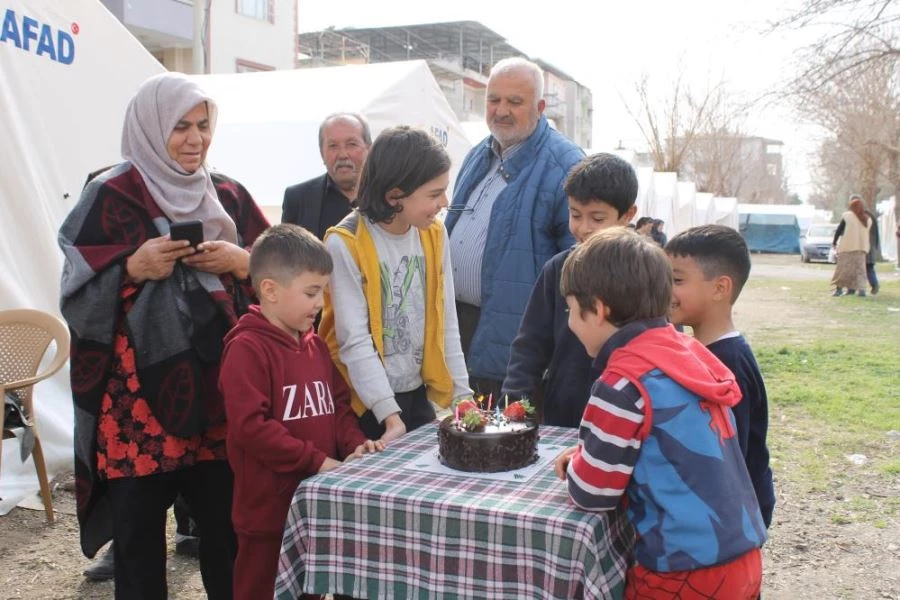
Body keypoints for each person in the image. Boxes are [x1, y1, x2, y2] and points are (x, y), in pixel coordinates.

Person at [59, 72, 269, 600]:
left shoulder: (228, 195)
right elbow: (74, 292)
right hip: (136, 411)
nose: (195, 139)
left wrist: (244, 262)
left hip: (221, 396)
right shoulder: (110, 194)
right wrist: (131, 267)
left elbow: (284, 271)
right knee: (138, 544)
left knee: (228, 534)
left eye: (203, 125)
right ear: (151, 128)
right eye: (180, 126)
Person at [554, 228, 766, 599]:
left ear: (599, 309)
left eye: (572, 310)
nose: (570, 323)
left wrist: (577, 466)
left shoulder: (622, 380)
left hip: (683, 571)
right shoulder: (688, 352)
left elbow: (592, 493)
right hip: (744, 557)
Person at [219, 223, 383, 600]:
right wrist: (317, 461)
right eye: (311, 293)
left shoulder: (316, 348)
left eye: (322, 293)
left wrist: (354, 444)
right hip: (268, 514)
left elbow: (338, 406)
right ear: (270, 290)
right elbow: (251, 427)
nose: (319, 304)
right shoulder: (247, 349)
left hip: (314, 505)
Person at [319, 126, 472, 443]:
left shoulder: (434, 234)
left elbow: (446, 322)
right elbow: (354, 340)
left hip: (416, 393)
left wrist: (462, 396)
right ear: (394, 195)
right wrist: (389, 415)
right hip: (363, 403)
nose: (445, 202)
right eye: (434, 194)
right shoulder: (345, 242)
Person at [444, 57, 584, 398]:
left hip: (515, 345)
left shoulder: (566, 164)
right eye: (494, 100)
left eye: (514, 102)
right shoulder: (480, 152)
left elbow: (576, 265)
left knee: (506, 443)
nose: (501, 110)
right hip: (463, 331)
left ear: (539, 107)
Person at [503, 153, 638, 426]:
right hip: (563, 416)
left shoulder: (644, 274)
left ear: (627, 215)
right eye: (575, 214)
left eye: (597, 218)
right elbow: (529, 346)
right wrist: (515, 408)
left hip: (625, 421)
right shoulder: (557, 269)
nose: (583, 228)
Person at [665, 225, 776, 529]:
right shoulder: (704, 351)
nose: (664, 289)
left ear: (720, 288)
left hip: (734, 517)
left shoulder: (727, 362)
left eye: (676, 280)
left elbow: (726, 455)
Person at [282, 113, 372, 240]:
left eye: (351, 144)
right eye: (333, 146)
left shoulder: (388, 196)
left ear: (369, 149)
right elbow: (287, 255)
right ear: (321, 153)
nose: (342, 154)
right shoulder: (298, 198)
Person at [831, 195, 872, 296]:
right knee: (860, 271)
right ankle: (861, 291)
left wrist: (834, 242)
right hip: (861, 248)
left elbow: (839, 230)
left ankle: (839, 290)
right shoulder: (867, 219)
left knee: (843, 270)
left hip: (847, 247)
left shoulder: (847, 216)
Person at [864, 208, 881, 295]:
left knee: (867, 267)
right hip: (872, 246)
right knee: (869, 268)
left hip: (867, 247)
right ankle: (874, 284)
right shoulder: (871, 216)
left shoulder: (864, 216)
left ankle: (874, 284)